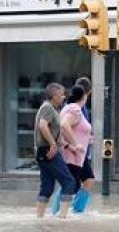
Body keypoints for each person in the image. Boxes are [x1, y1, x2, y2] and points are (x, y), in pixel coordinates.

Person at [35, 83, 76, 219]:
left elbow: (54, 134)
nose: (64, 97)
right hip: (48, 150)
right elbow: (42, 125)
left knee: (47, 186)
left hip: (42, 151)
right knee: (69, 182)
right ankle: (62, 218)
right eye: (62, 94)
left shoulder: (49, 108)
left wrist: (68, 146)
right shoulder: (48, 108)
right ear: (54, 95)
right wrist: (53, 144)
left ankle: (39, 218)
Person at [51, 85, 92, 215]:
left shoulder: (70, 108)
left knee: (88, 180)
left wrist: (87, 138)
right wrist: (76, 143)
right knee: (69, 185)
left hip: (79, 156)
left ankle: (77, 211)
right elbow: (64, 125)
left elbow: (74, 128)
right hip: (73, 154)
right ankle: (56, 212)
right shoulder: (74, 109)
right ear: (84, 96)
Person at [73, 77, 95, 212]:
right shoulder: (76, 108)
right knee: (87, 181)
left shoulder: (81, 107)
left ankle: (67, 210)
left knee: (72, 183)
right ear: (89, 92)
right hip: (77, 152)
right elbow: (66, 126)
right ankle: (76, 210)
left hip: (80, 152)